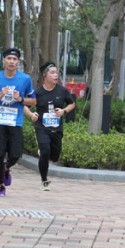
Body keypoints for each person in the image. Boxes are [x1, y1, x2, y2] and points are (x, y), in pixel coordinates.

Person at [0, 48, 36, 197]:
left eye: (14, 59)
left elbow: (34, 101)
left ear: (18, 62)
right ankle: (1, 186)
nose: (12, 61)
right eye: (9, 59)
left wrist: (20, 99)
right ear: (4, 60)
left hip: (16, 122)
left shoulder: (25, 79)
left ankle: (6, 168)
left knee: (16, 155)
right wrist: (0, 95)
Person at [25, 62, 75, 191]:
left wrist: (63, 111)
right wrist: (31, 115)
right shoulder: (37, 93)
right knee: (45, 151)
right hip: (42, 127)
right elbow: (25, 106)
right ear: (45, 76)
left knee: (55, 157)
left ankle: (43, 152)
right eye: (52, 73)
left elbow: (72, 104)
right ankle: (44, 181)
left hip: (57, 128)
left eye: (57, 73)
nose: (56, 75)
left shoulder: (62, 90)